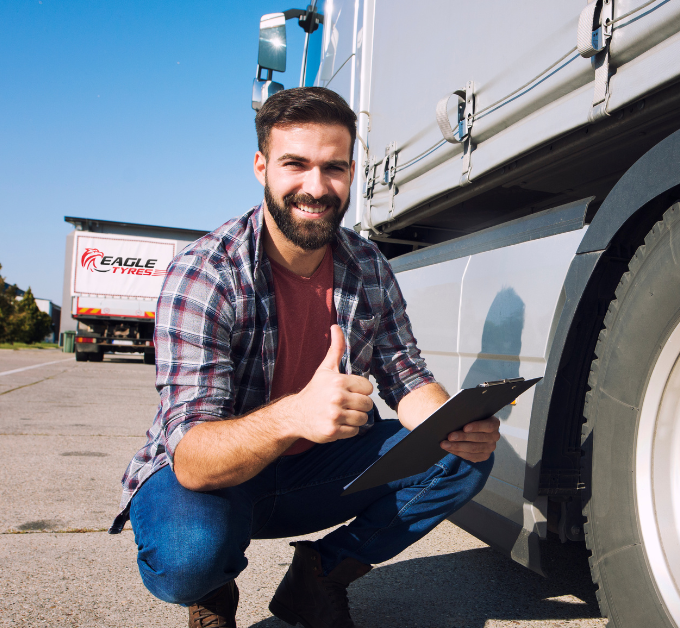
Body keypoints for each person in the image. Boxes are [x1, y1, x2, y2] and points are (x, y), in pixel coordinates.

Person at [109, 86, 500, 628]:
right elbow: (194, 460)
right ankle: (214, 587)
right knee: (188, 557)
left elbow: (406, 375)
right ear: (261, 166)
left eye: (333, 168)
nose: (315, 188)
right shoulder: (205, 274)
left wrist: (453, 427)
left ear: (352, 171)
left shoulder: (367, 267)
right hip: (219, 479)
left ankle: (319, 576)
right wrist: (296, 413)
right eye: (295, 164)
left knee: (462, 457)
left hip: (315, 471)